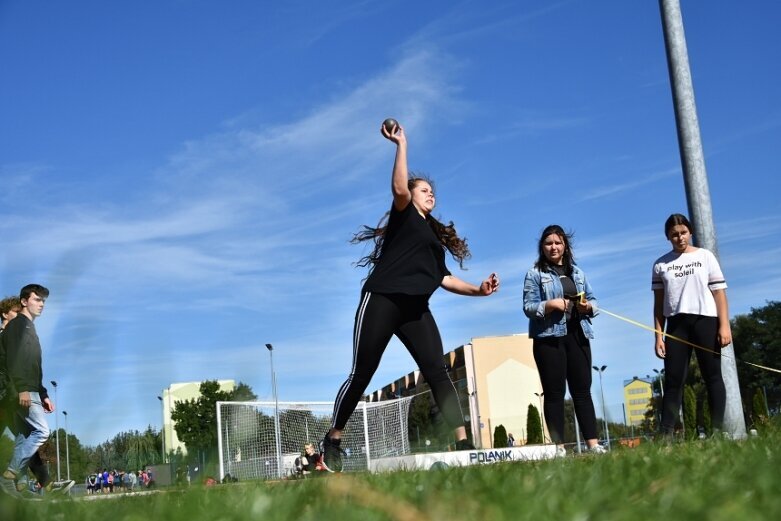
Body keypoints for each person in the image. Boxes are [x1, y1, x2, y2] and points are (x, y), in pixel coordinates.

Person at [320, 122, 500, 472]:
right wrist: (401, 143)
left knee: (438, 370)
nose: (430, 194)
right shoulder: (405, 215)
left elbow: (445, 278)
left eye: (433, 191)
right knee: (363, 372)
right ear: (412, 195)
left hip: (415, 308)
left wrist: (479, 290)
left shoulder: (432, 239)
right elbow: (399, 187)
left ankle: (463, 442)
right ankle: (334, 438)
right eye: (424, 190)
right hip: (383, 299)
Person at [522, 225, 606, 456]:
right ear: (542, 247)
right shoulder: (534, 274)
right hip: (548, 340)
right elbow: (528, 307)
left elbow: (594, 300)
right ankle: (558, 448)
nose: (554, 247)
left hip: (578, 335)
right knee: (554, 393)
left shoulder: (577, 272)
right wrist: (550, 304)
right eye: (548, 243)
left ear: (565, 246)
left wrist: (587, 306)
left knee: (582, 391)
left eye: (558, 242)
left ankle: (593, 444)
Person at [652, 213, 730, 436]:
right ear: (668, 237)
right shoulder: (660, 264)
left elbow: (720, 294)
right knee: (674, 379)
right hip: (676, 325)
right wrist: (658, 335)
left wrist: (724, 326)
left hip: (705, 320)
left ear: (690, 232)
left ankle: (717, 431)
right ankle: (666, 433)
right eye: (674, 235)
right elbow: (658, 305)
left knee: (712, 375)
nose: (679, 238)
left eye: (683, 233)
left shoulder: (705, 256)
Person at [0, 285, 75, 498]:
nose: (41, 304)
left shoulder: (28, 329)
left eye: (43, 301)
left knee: (26, 438)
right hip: (12, 393)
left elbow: (33, 366)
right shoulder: (16, 328)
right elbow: (12, 363)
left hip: (21, 392)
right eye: (37, 299)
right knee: (39, 432)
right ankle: (13, 476)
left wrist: (42, 394)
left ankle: (26, 487)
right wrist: (22, 389)